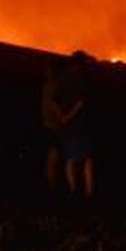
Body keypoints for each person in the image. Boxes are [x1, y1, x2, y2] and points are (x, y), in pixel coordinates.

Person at [53, 51, 96, 199]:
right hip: (81, 125)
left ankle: (72, 192)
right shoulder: (82, 79)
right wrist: (70, 116)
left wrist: (62, 117)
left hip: (67, 126)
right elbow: (81, 102)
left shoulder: (61, 78)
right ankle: (89, 193)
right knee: (87, 159)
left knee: (70, 158)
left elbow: (55, 101)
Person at [40, 60, 63, 191]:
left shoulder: (51, 86)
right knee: (51, 156)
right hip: (51, 125)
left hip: (51, 125)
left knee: (52, 156)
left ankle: (51, 184)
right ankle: (50, 185)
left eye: (47, 69)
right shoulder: (50, 86)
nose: (45, 71)